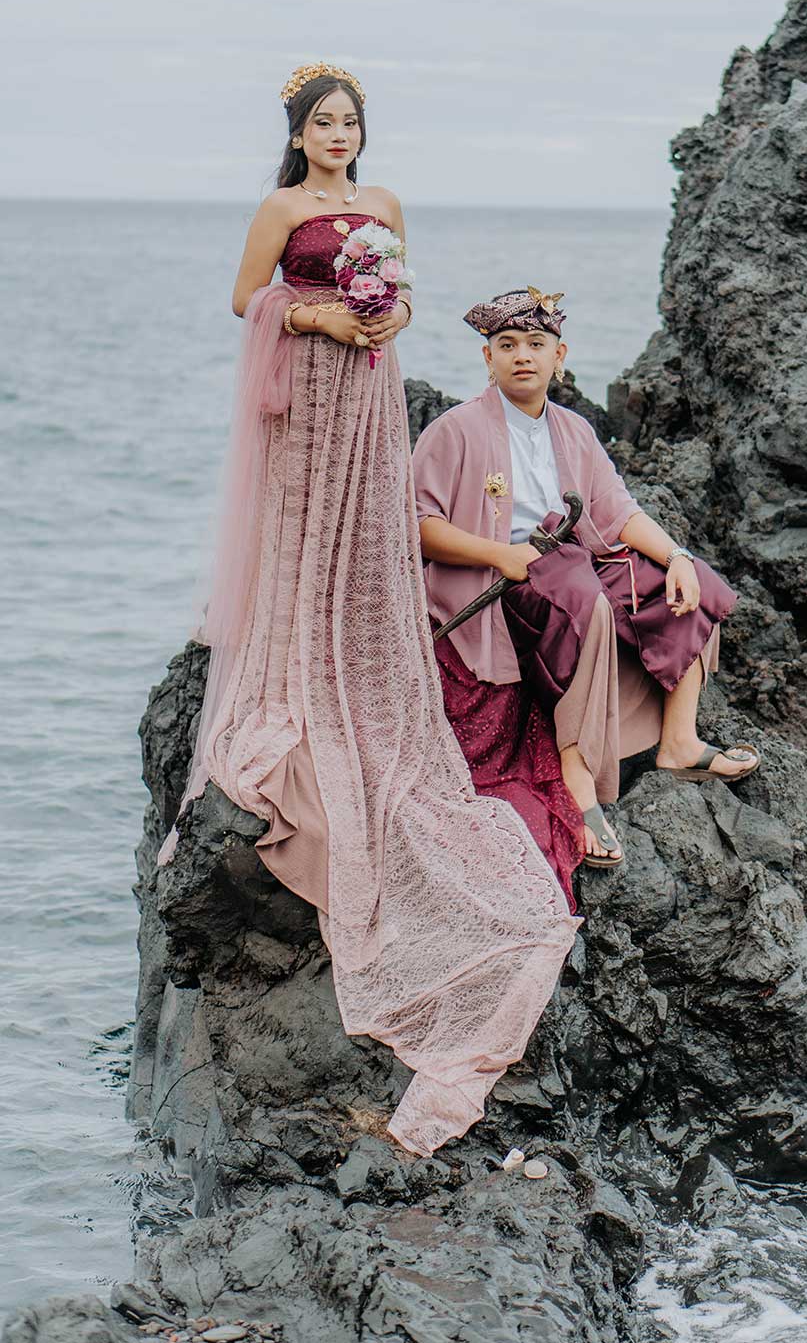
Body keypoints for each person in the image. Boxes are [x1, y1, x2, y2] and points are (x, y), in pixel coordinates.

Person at [156, 68, 581, 1157]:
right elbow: (246, 299)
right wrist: (318, 316)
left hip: (370, 389)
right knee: (301, 522)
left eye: (349, 123)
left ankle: (354, 650)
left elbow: (404, 297)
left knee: (364, 527)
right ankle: (294, 657)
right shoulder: (281, 208)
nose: (338, 137)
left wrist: (384, 313)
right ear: (298, 134)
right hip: (309, 381)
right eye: (322, 124)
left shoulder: (383, 205)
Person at [411, 287, 761, 866]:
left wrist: (677, 556)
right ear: (488, 358)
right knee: (586, 602)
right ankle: (578, 776)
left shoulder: (573, 429)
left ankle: (679, 741)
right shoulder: (455, 430)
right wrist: (501, 555)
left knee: (690, 584)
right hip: (502, 576)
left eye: (536, 343)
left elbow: (617, 512)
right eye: (507, 345)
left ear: (559, 355)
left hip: (574, 558)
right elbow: (418, 525)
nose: (522, 355)